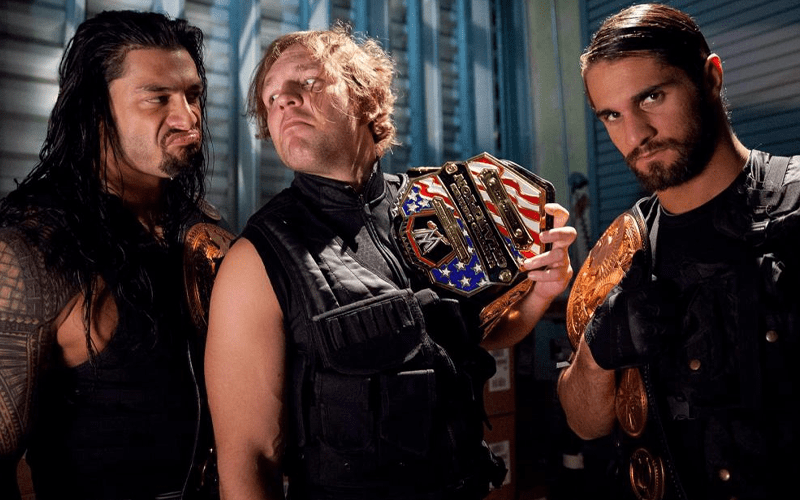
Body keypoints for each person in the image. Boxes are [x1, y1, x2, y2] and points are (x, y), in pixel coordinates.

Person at [205, 25, 576, 500]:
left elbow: (476, 331)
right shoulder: (257, 259)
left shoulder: (437, 202)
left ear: (365, 98)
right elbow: (247, 461)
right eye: (271, 97)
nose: (284, 102)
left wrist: (541, 291)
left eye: (308, 82)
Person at [558, 4, 799, 500]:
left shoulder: (794, 202)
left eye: (652, 97)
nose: (636, 136)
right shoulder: (620, 253)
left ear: (710, 78)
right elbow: (584, 424)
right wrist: (598, 354)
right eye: (612, 115)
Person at [0, 10, 232, 500]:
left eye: (193, 95)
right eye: (158, 98)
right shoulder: (31, 247)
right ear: (95, 110)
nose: (188, 118)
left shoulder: (204, 230)